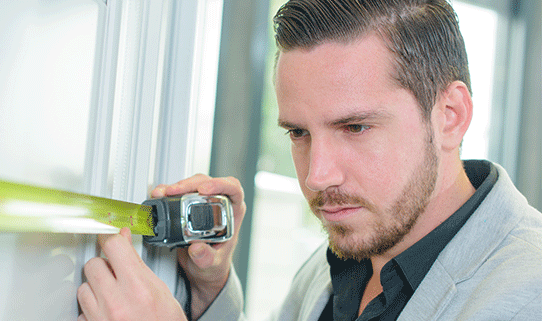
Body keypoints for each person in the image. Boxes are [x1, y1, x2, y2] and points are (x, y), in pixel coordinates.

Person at [76, 0, 542, 320]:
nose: (317, 176)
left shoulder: (529, 294)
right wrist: (208, 291)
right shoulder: (345, 255)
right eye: (299, 133)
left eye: (354, 127)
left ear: (450, 116)